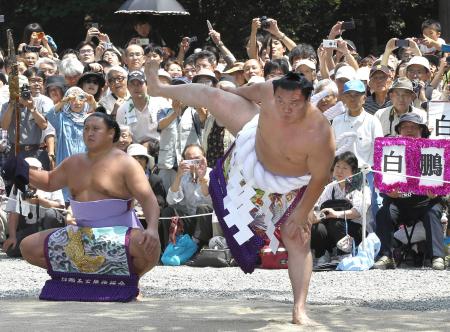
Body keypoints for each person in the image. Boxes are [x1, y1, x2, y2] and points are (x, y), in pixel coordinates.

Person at [145, 59, 335, 326]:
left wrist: (302, 213)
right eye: (281, 101)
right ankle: (158, 88)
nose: (286, 108)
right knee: (211, 94)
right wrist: (228, 95)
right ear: (274, 93)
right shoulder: (268, 89)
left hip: (291, 186)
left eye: (294, 103)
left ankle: (299, 308)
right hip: (252, 148)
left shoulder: (320, 132)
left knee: (298, 239)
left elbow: (321, 177)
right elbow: (246, 92)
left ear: (307, 100)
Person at [8, 112, 160, 301]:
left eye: (96, 129)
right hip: (79, 235)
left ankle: (127, 279)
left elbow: (148, 199)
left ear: (111, 133)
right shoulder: (74, 161)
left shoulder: (126, 163)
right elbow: (48, 181)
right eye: (86, 128)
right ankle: (78, 278)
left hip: (119, 233)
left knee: (148, 248)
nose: (89, 133)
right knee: (28, 247)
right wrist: (20, 168)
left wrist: (152, 228)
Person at [373, 113, 446, 270]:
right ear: (399, 130)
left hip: (426, 201)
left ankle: (437, 257)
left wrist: (437, 192)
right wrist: (388, 192)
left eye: (413, 127)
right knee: (384, 212)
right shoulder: (390, 150)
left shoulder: (433, 150)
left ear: (421, 130)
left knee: (433, 212)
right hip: (398, 202)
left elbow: (443, 182)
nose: (409, 130)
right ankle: (386, 255)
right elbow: (383, 181)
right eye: (405, 127)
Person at [311, 151, 371, 264]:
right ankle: (322, 255)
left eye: (344, 168)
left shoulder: (360, 186)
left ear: (353, 171)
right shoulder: (331, 187)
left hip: (355, 229)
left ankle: (344, 255)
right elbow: (320, 208)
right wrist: (316, 217)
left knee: (337, 222)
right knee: (317, 227)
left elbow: (359, 211)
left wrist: (336, 214)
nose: (339, 171)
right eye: (337, 166)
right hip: (334, 227)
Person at [2, 157, 65, 257]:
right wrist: (12, 237)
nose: (31, 173)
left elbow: (60, 207)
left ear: (41, 170)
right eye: (28, 169)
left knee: (50, 214)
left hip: (49, 226)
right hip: (31, 228)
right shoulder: (19, 185)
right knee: (11, 250)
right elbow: (13, 214)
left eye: (34, 169)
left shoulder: (51, 180)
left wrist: (39, 201)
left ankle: (51, 246)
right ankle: (36, 248)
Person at [159, 144, 213, 252]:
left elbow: (211, 201)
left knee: (203, 208)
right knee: (168, 211)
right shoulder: (183, 176)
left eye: (197, 159)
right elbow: (170, 201)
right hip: (190, 218)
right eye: (190, 160)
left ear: (204, 158)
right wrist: (178, 176)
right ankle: (169, 247)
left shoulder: (212, 174)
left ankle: (198, 246)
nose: (194, 163)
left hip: (209, 220)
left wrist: (202, 179)